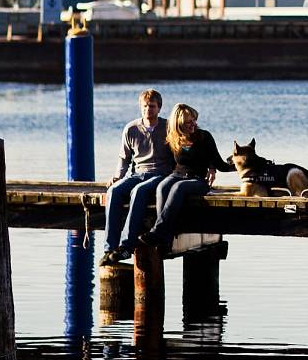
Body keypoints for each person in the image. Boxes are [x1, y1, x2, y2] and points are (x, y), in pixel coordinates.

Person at [136, 103, 234, 252]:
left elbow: (219, 163)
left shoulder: (204, 137)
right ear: (178, 123)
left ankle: (158, 232)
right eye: (189, 121)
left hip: (198, 180)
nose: (193, 124)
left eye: (194, 120)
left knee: (178, 188)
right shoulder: (173, 139)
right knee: (162, 187)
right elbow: (167, 161)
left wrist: (239, 166)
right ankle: (166, 240)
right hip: (177, 175)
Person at [100, 89, 174, 266]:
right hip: (138, 172)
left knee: (139, 192)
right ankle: (109, 248)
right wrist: (117, 176)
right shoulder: (131, 129)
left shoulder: (169, 127)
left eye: (152, 106)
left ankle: (126, 246)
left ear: (159, 108)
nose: (148, 109)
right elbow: (124, 158)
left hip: (161, 173)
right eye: (145, 106)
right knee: (114, 191)